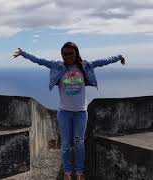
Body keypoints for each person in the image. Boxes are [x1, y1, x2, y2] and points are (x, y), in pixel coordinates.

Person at [13, 42, 125, 180]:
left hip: (81, 112)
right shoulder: (58, 66)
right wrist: (24, 53)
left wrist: (119, 57)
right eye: (65, 54)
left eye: (70, 53)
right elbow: (39, 61)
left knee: (79, 142)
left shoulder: (84, 66)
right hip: (64, 112)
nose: (68, 56)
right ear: (62, 55)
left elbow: (103, 61)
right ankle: (67, 172)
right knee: (66, 143)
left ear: (76, 53)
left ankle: (79, 172)